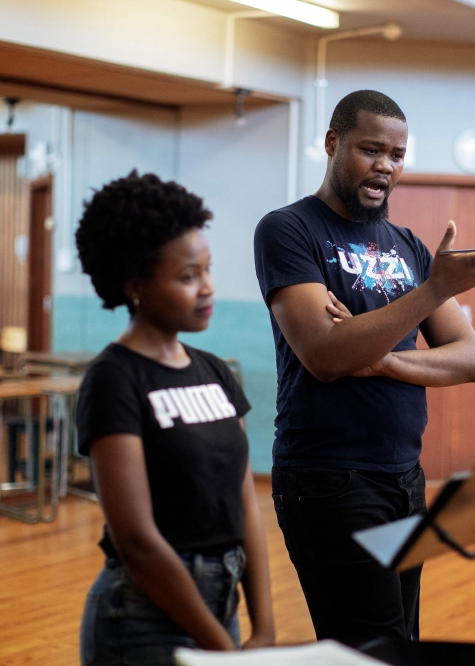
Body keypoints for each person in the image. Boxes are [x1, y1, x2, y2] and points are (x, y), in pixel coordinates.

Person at [253, 90, 475, 644]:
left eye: (397, 155)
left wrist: (384, 359)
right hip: (328, 477)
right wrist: (433, 290)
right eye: (371, 150)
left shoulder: (408, 246)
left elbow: (469, 358)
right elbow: (324, 355)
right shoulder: (289, 230)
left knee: (400, 643)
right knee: (371, 647)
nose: (385, 167)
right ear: (332, 143)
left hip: (403, 476)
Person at [75, 171, 275, 664]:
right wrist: (219, 646)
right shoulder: (114, 379)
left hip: (220, 605)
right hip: (141, 617)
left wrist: (264, 625)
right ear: (136, 286)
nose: (207, 288)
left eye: (207, 270)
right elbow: (137, 541)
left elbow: (245, 502)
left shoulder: (215, 372)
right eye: (187, 277)